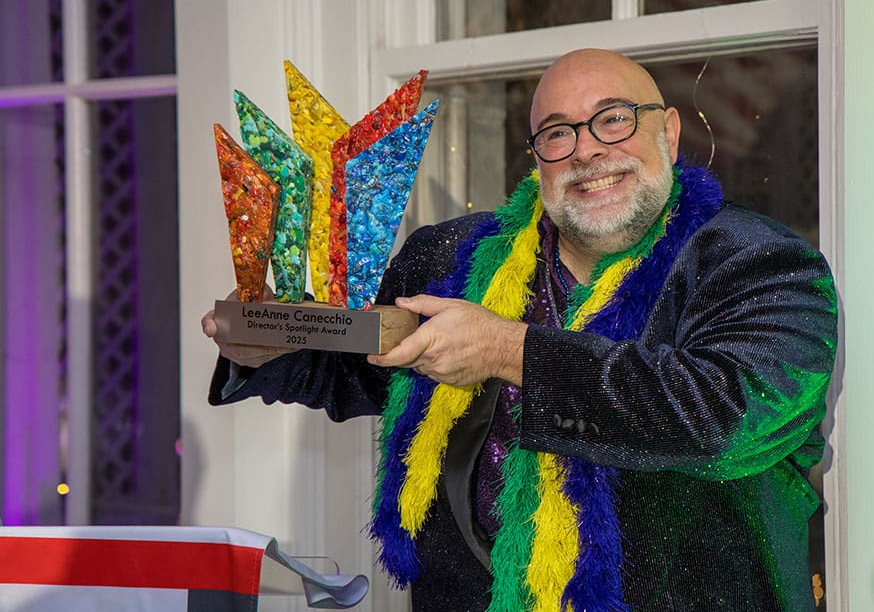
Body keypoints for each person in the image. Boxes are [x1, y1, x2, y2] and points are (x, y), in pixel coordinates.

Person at [202, 48, 838, 611]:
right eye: (558, 133)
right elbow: (360, 367)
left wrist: (508, 350)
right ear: (538, 159)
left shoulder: (760, 263)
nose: (587, 150)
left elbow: (720, 418)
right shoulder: (449, 258)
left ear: (668, 131)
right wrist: (268, 346)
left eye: (614, 119)